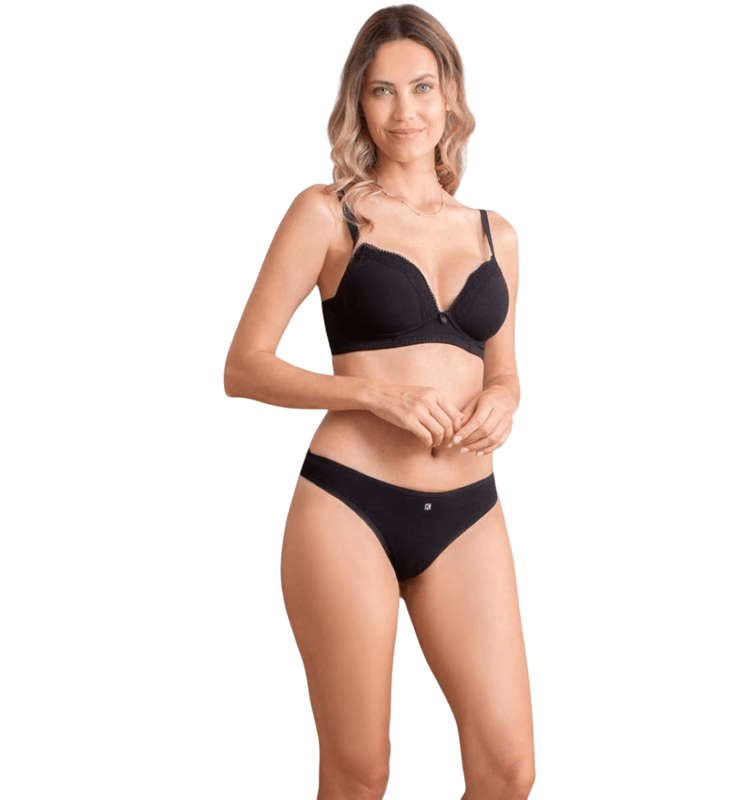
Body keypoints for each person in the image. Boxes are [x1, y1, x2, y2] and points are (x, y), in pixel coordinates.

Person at [224, 5, 535, 798]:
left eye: (422, 87)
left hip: (469, 510)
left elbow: (504, 372)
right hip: (349, 505)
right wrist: (371, 395)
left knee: (508, 771)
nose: (405, 112)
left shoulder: (496, 234)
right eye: (382, 91)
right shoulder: (327, 213)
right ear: (358, 103)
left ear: (450, 94)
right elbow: (244, 366)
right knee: (361, 772)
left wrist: (504, 401)